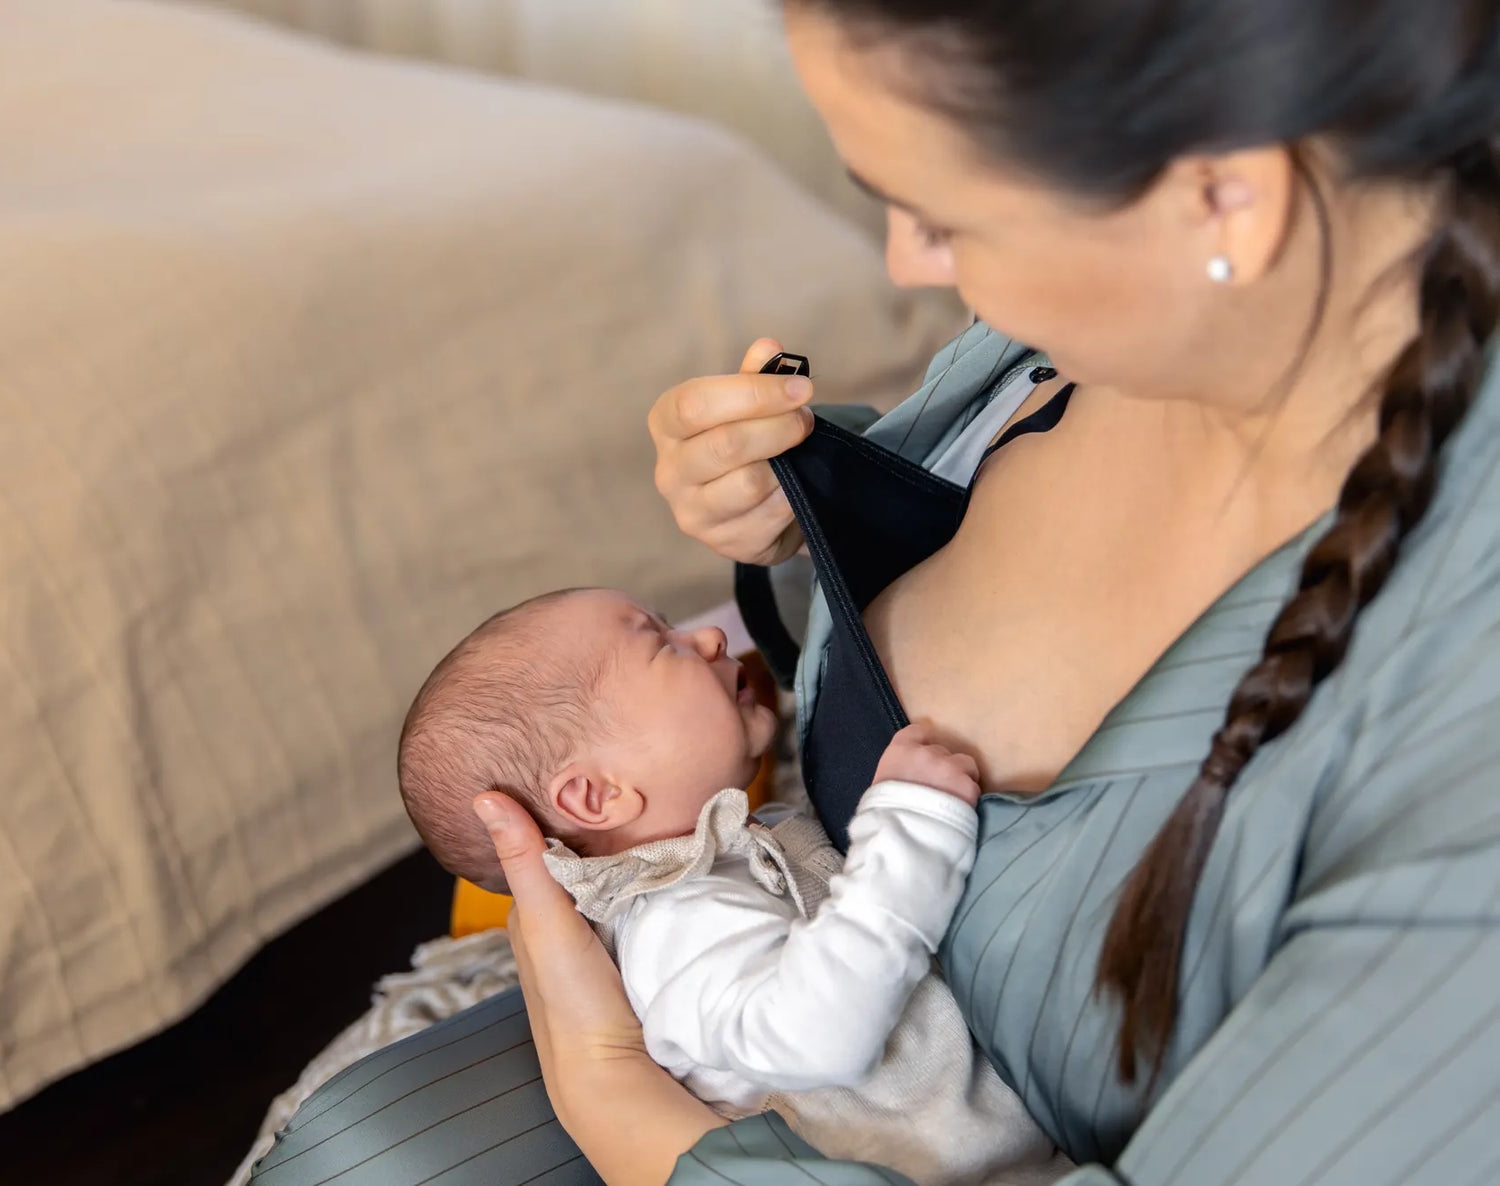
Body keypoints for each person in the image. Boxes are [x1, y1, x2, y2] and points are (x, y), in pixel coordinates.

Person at [246, 1, 1500, 1183]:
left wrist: (623, 1105)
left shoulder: (1452, 757)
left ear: (1225, 197)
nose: (908, 265)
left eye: (944, 215)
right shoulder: (1119, 324)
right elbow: (945, 582)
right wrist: (810, 502)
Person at [395, 587, 1066, 1184]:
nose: (710, 638)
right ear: (598, 796)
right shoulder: (673, 923)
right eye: (661, 643)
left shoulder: (735, 852)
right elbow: (816, 1032)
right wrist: (910, 828)